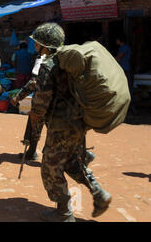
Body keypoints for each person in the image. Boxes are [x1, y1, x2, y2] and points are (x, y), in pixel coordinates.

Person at [29, 22, 111, 222]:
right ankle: (99, 193)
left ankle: (64, 213)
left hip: (60, 125)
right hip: (78, 122)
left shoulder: (48, 65)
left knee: (50, 167)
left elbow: (42, 100)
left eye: (36, 43)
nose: (34, 46)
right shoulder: (68, 62)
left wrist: (35, 115)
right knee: (73, 162)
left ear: (44, 46)